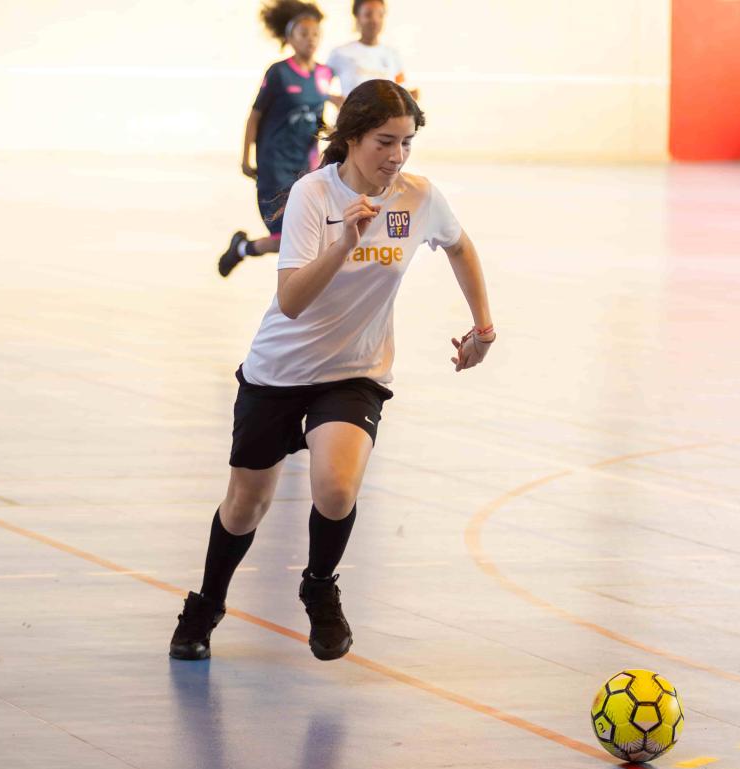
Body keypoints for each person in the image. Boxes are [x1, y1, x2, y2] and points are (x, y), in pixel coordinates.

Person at [172, 79, 497, 661]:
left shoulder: (418, 197)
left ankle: (319, 587)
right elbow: (292, 299)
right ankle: (207, 604)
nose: (396, 157)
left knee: (337, 486)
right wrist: (346, 240)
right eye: (383, 142)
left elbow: (460, 246)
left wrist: (484, 327)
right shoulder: (312, 196)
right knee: (246, 504)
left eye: (406, 143)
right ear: (350, 138)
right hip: (279, 371)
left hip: (354, 372)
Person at [218, 1, 335, 278]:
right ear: (290, 38)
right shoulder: (278, 72)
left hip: (306, 167)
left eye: (315, 33)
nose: (310, 39)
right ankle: (247, 251)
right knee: (287, 236)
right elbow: (254, 116)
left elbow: (317, 119)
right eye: (303, 33)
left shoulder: (324, 74)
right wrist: (245, 157)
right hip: (274, 165)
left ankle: (244, 247)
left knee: (311, 234)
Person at [326, 0, 417, 104]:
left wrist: (410, 96)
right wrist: (334, 99)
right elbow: (318, 86)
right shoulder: (340, 53)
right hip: (353, 119)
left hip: (386, 119)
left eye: (380, 15)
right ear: (357, 17)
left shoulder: (393, 54)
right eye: (368, 15)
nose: (375, 20)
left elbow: (401, 87)